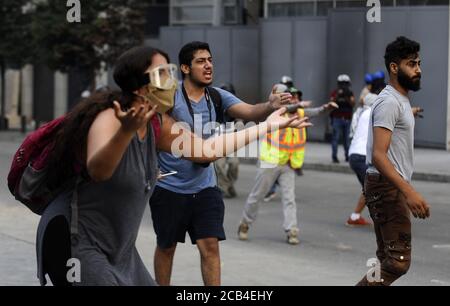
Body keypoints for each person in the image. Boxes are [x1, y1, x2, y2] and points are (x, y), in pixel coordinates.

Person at [36, 46, 311, 286]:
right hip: (75, 242)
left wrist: (266, 126)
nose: (172, 82)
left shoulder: (158, 123)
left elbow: (206, 150)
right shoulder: (111, 116)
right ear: (140, 88)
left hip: (118, 248)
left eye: (171, 71)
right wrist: (124, 133)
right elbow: (99, 170)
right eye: (163, 74)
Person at [149, 41, 296, 286]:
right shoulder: (171, 97)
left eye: (210, 60)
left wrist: (269, 106)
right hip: (169, 188)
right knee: (166, 247)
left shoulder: (217, 96)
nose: (208, 66)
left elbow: (250, 112)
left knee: (211, 248)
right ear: (185, 68)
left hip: (205, 188)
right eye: (200, 61)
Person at [357, 36, 430, 286]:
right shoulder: (388, 101)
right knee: (398, 262)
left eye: (419, 63)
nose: (418, 69)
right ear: (394, 67)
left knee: (386, 257)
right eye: (412, 64)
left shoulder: (399, 100)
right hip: (387, 187)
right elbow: (379, 154)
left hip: (384, 186)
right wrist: (409, 192)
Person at [238, 83, 338, 245]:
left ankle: (292, 230)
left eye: (292, 96)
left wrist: (327, 107)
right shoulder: (273, 112)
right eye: (286, 95)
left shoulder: (299, 113)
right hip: (269, 162)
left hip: (288, 163)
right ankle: (244, 224)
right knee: (257, 195)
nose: (290, 98)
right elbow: (284, 109)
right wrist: (298, 104)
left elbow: (315, 112)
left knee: (289, 198)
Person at [346, 75, 385, 227]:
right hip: (362, 157)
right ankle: (381, 219)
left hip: (355, 155)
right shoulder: (372, 114)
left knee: (368, 187)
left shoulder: (362, 113)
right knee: (376, 187)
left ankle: (355, 217)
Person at [214, 83, 240, 198]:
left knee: (234, 164)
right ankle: (223, 187)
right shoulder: (214, 109)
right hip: (217, 143)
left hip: (231, 143)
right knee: (219, 165)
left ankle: (230, 184)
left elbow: (240, 124)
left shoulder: (236, 110)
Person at [329, 74, 355, 163]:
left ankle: (347, 156)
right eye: (342, 84)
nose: (344, 86)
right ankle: (334, 156)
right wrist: (338, 95)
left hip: (347, 118)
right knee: (335, 138)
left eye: (345, 84)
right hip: (337, 118)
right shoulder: (335, 92)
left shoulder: (350, 93)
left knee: (346, 139)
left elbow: (353, 104)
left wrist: (346, 96)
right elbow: (331, 103)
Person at [350, 73, 373, 140]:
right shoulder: (366, 90)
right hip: (365, 110)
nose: (370, 85)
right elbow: (361, 101)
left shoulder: (369, 90)